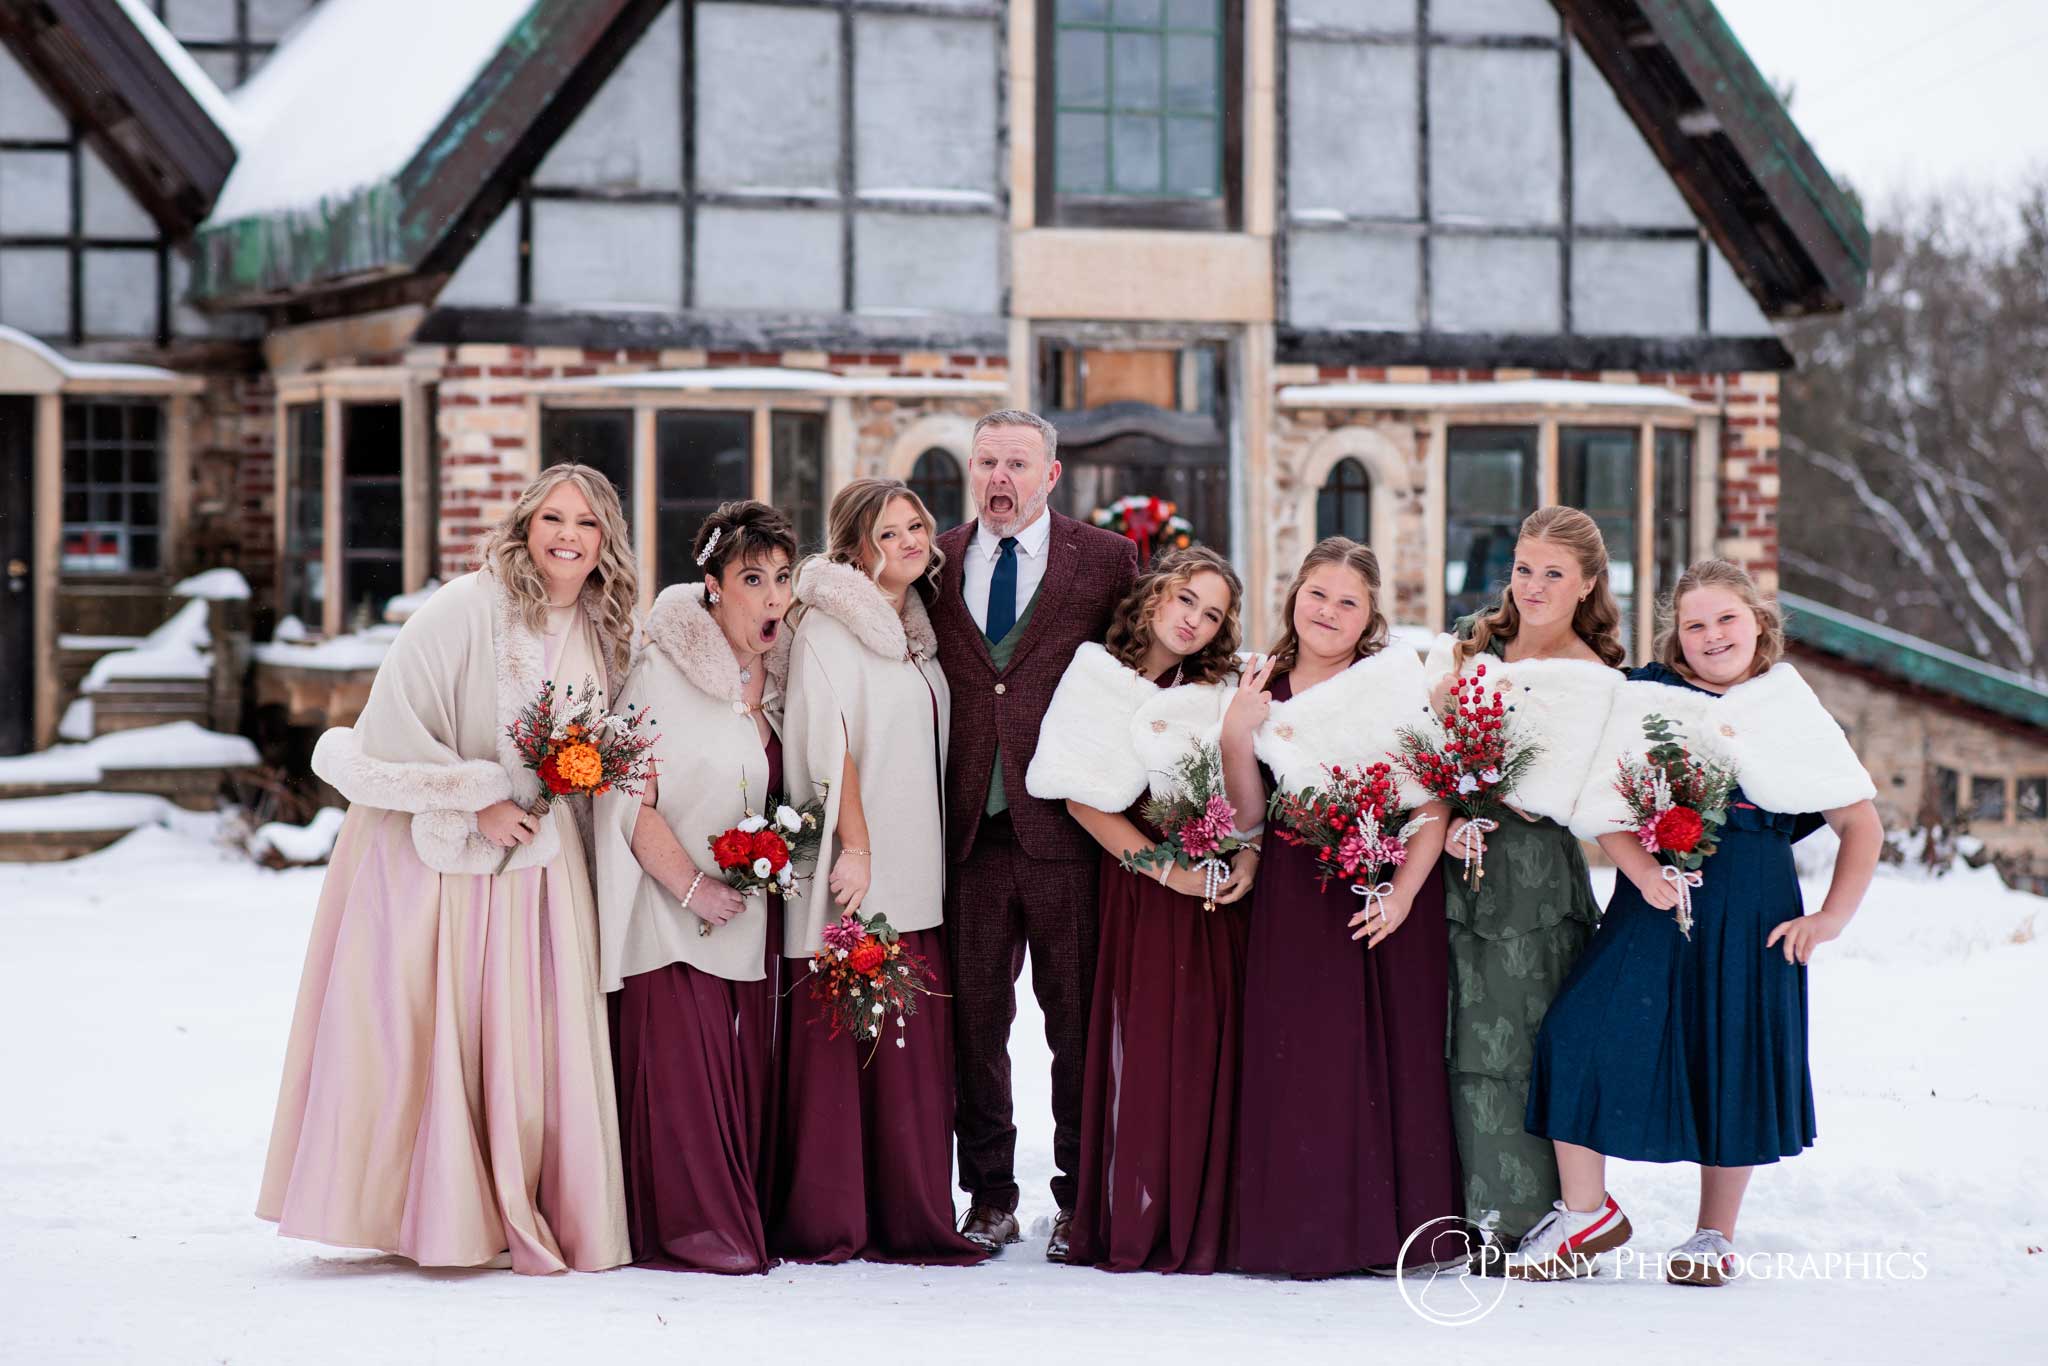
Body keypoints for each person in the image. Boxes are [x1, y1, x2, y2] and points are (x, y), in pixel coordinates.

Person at [260, 463, 634, 1274]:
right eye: (552, 520)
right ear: (525, 527)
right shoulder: (466, 609)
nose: (568, 537)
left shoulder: (606, 630)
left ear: (607, 541)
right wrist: (478, 800)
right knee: (441, 1041)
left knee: (533, 1052)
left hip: (542, 867)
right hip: (446, 869)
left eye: (587, 524)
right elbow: (384, 735)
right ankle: (443, 1213)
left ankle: (527, 1201)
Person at [1518, 559, 1883, 1285]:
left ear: (1759, 625)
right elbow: (1603, 803)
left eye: (1728, 620)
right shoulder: (1645, 697)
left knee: (1733, 1054)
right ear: (1676, 636)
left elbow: (1860, 822)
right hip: (1656, 895)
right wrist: (1643, 870)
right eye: (1696, 624)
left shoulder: (1789, 705)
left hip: (1755, 902)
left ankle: (1712, 1236)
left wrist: (1832, 918)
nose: (1713, 635)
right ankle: (1587, 1213)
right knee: (1576, 1032)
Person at [1218, 537, 1462, 1276]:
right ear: (1295, 595)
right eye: (1317, 594)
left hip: (1389, 885)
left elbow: (1430, 799)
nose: (1328, 611)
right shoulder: (1264, 682)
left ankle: (1399, 1233)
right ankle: (1304, 1231)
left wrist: (1404, 894)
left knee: (1396, 1059)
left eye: (1348, 602)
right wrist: (1236, 731)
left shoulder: (1391, 683)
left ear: (1370, 617)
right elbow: (1247, 814)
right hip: (1297, 884)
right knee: (1306, 1060)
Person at [929, 410, 1139, 1259]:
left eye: (1017, 462)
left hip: (1066, 833)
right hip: (966, 836)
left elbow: (1139, 675)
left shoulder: (1108, 561)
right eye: (986, 462)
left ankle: (1082, 1197)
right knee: (974, 1028)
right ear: (970, 471)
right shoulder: (931, 562)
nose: (1000, 478)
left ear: (1052, 475)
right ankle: (988, 1196)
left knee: (1076, 1027)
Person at [1026, 545, 1258, 1274]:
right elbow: (1079, 796)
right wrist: (1169, 874)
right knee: (1140, 1042)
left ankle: (1203, 1212)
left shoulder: (1216, 689)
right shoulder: (1098, 675)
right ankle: (1135, 1208)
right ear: (1157, 592)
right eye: (1187, 599)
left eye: (1213, 613)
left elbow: (1246, 789)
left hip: (1216, 883)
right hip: (1142, 881)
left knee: (1207, 1048)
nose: (1194, 620)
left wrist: (1232, 861)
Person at [772, 479, 986, 1266]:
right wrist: (855, 846)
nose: (908, 539)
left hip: (918, 872)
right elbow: (832, 745)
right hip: (863, 875)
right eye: (888, 529)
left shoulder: (917, 631)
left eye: (917, 526)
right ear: (855, 544)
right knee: (849, 1048)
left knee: (906, 1063)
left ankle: (906, 1209)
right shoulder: (831, 628)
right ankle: (841, 1216)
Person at [593, 501, 795, 1274]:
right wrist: (689, 888)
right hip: (669, 923)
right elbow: (625, 796)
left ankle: (740, 1216)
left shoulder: (777, 678)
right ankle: (692, 1230)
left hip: (745, 924)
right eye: (752, 578)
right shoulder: (661, 670)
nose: (772, 596)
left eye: (782, 577)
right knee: (683, 1087)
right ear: (712, 586)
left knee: (739, 1087)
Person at [1421, 505, 1624, 1252]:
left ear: (1588, 584)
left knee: (1514, 1046)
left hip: (1530, 876)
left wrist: (1487, 780)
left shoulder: (1593, 676)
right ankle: (1449, 1215)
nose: (1532, 587)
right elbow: (1416, 741)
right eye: (1523, 569)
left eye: (1553, 574)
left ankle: (1528, 1220)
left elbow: (1566, 789)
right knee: (1447, 1038)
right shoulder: (1472, 643)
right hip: (1444, 855)